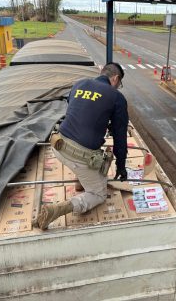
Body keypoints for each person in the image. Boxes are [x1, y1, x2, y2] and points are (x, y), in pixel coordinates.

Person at [34, 62, 129, 230]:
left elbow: (78, 112)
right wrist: (121, 166)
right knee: (98, 194)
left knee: (85, 156)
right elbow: (120, 139)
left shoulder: (79, 84)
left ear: (101, 72)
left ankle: (81, 181)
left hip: (58, 146)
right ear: (115, 79)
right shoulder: (116, 97)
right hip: (79, 157)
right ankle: (57, 209)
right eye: (118, 84)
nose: (117, 87)